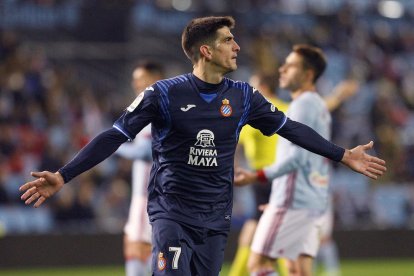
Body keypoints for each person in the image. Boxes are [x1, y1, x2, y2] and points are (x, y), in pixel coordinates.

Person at [19, 17, 386, 276]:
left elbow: (290, 129)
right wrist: (64, 175)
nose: (237, 46)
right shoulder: (162, 94)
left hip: (215, 219)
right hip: (171, 213)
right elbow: (114, 135)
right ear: (206, 51)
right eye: (228, 40)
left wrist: (341, 154)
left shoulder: (243, 96)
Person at [233, 44, 371, 276]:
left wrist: (262, 182)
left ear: (307, 74)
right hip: (309, 198)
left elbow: (297, 157)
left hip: (288, 195)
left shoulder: (296, 108)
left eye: (291, 65)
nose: (282, 69)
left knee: (258, 264)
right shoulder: (316, 106)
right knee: (298, 269)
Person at [116, 61, 165, 276]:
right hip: (156, 195)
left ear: (155, 77)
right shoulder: (164, 106)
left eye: (140, 78)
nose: (135, 83)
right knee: (145, 250)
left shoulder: (154, 109)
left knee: (138, 249)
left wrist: (114, 145)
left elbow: (144, 152)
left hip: (147, 197)